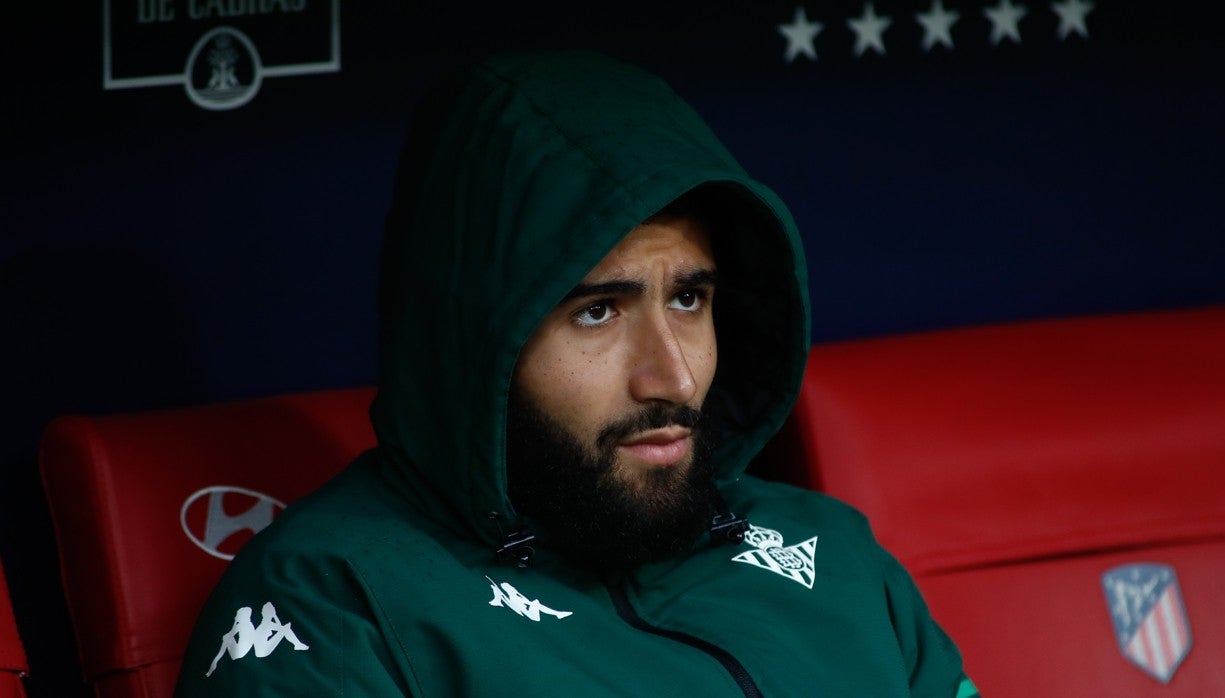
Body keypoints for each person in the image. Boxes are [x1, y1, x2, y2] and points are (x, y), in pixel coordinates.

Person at [174, 50, 978, 696]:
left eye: (690, 298)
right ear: (475, 343)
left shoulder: (828, 547)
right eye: (598, 310)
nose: (671, 377)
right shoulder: (334, 603)